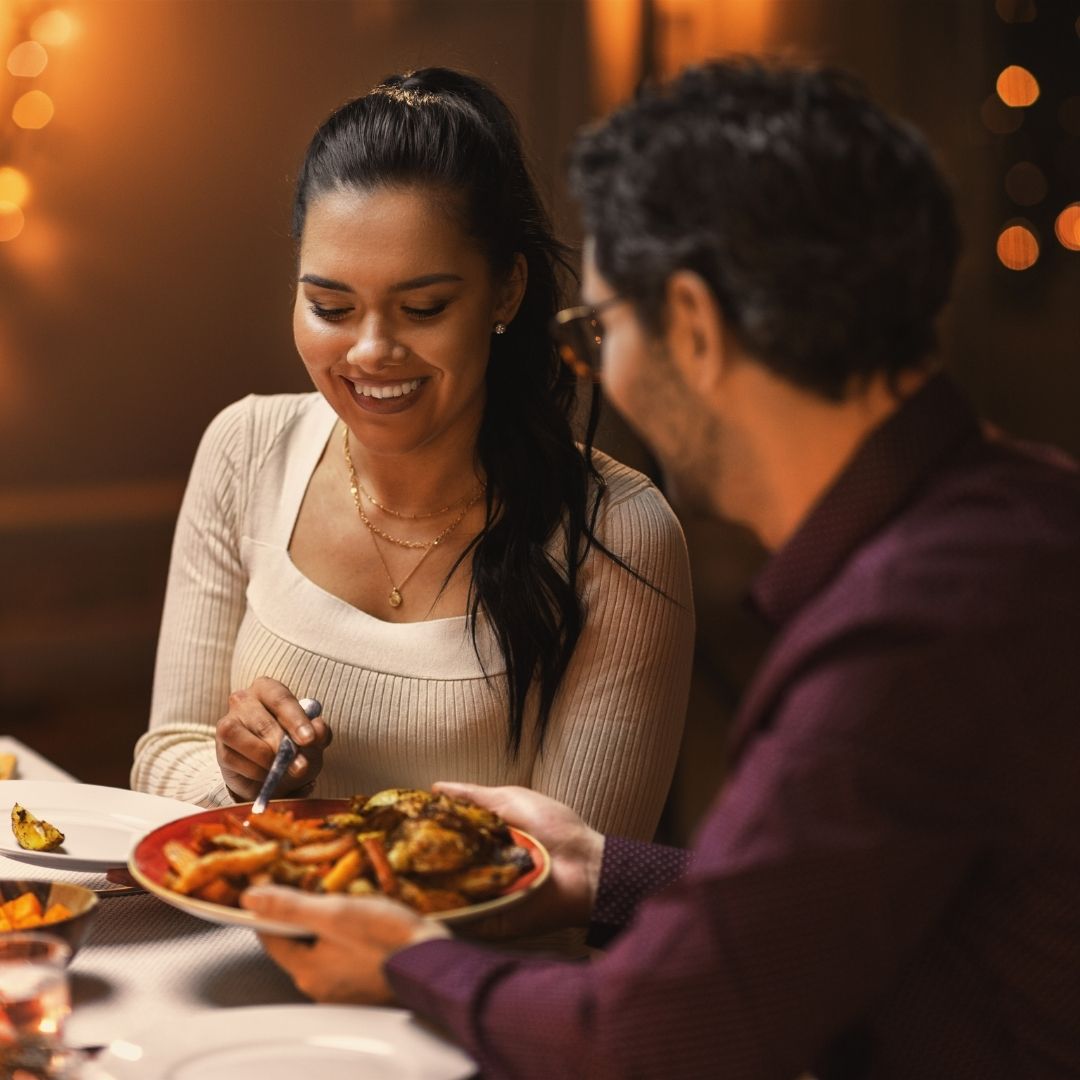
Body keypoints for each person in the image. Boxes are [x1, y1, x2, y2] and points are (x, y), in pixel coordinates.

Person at [242, 58, 1080, 1079]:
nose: (602, 371)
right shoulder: (1026, 516)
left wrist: (414, 964)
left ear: (689, 322)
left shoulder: (912, 633)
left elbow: (658, 1035)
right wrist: (602, 872)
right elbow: (815, 906)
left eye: (600, 328)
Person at [130, 69, 694, 877]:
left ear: (506, 291)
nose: (368, 352)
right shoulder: (245, 448)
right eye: (330, 307)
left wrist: (337, 853)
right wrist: (235, 775)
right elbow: (158, 760)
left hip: (466, 996)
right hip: (230, 959)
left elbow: (569, 888)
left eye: (422, 309)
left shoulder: (619, 536)